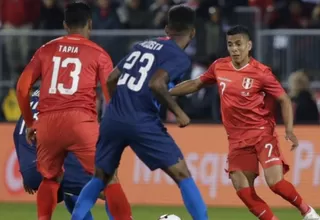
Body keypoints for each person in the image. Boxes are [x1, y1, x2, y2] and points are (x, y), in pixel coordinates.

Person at [169, 25, 320, 220]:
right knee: (242, 189)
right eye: (230, 45)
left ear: (249, 45)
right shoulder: (219, 66)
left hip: (261, 133)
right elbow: (196, 83)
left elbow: (283, 99)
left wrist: (289, 129)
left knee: (275, 183)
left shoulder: (261, 72)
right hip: (236, 139)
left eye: (239, 44)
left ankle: (308, 212)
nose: (234, 49)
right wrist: (167, 91)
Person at [72, 5, 208, 220]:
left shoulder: (141, 46)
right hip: (142, 120)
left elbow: (111, 79)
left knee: (100, 177)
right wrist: (178, 112)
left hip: (113, 118)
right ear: (192, 32)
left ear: (166, 28)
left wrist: (117, 106)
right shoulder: (179, 57)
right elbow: (157, 84)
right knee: (182, 174)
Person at [15, 3, 131, 220]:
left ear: (65, 25)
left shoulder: (46, 50)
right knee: (108, 178)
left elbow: (22, 88)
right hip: (81, 121)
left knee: (50, 179)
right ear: (90, 24)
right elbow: (111, 97)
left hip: (48, 123)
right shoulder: (99, 54)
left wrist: (31, 123)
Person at [13, 89, 114, 220]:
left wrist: (25, 171)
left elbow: (16, 134)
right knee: (108, 188)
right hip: (47, 163)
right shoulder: (61, 99)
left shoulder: (32, 102)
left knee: (69, 189)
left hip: (31, 170)